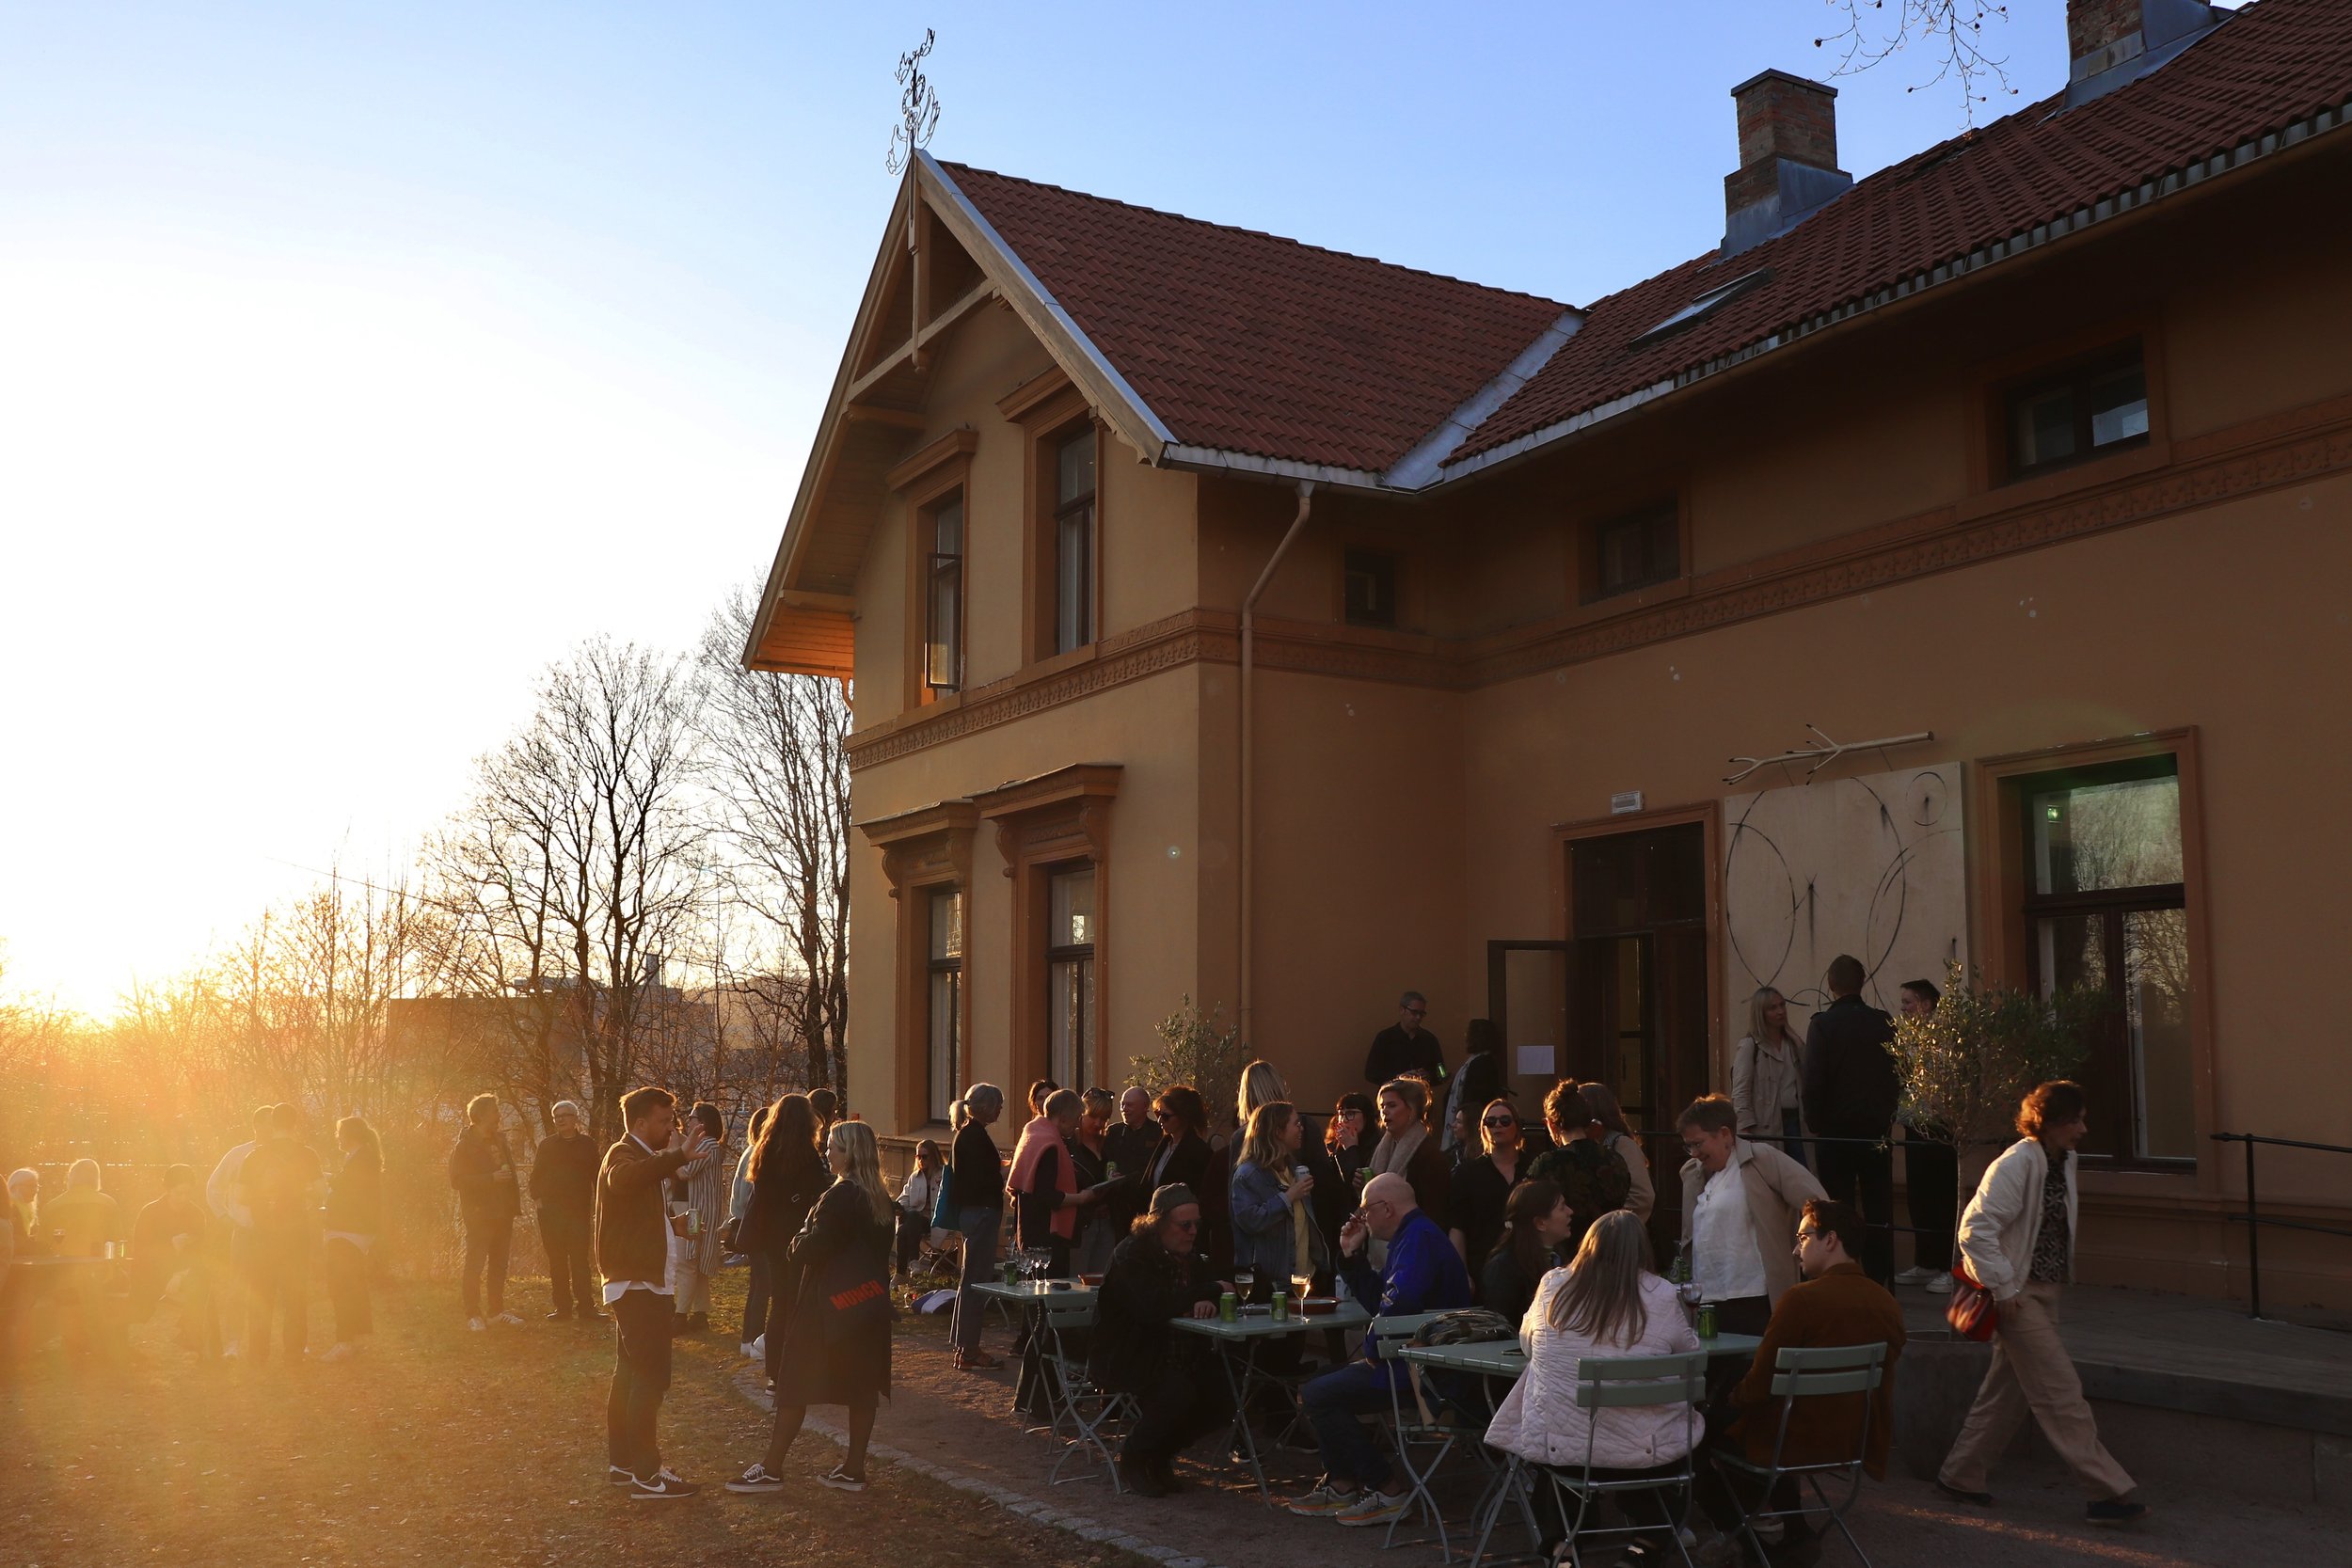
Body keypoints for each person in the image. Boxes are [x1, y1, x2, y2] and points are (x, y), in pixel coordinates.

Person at [1937, 1082, 2146, 1526]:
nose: (2083, 1130)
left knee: (2006, 1394)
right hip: (2018, 1295)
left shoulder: (2063, 1160)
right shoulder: (2016, 1163)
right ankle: (2107, 1492)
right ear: (2050, 1122)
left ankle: (1960, 1476)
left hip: (2044, 1292)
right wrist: (2005, 1289)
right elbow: (1974, 1230)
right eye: (2076, 1121)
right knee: (2061, 1391)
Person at [1485, 1210, 1707, 1565]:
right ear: (1641, 1251)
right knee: (1689, 1443)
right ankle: (1643, 1549)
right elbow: (1690, 1355)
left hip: (1566, 1453)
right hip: (1644, 1455)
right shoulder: (1660, 1293)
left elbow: (1528, 1343)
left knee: (1564, 1446)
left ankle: (1564, 1548)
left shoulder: (1553, 1285)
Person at [1708, 1198, 1906, 1560]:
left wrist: (1724, 1403)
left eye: (1802, 1237)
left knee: (1697, 1433)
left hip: (1792, 1438)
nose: (1796, 1247)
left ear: (1830, 1240)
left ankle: (1751, 1548)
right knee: (1775, 1420)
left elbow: (1759, 1384)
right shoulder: (1886, 1303)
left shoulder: (1800, 1301)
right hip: (1853, 1439)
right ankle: (1796, 1532)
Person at [1284, 1172, 1473, 1527]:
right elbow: (1382, 1304)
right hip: (1417, 1363)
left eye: (1365, 1210)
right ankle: (1341, 1485)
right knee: (1321, 1382)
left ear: (1386, 1208)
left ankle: (1387, 1489)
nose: (1362, 1218)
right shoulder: (1413, 1236)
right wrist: (1351, 1257)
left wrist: (1372, 1351)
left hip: (1429, 1375)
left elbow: (1399, 1305)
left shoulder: (1418, 1239)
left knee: (1317, 1393)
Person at [729, 1118, 896, 1497]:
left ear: (850, 1153)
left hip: (827, 1306)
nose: (827, 1152)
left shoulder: (840, 1196)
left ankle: (771, 1468)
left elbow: (808, 1249)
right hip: (867, 1305)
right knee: (860, 1387)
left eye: (834, 1147)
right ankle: (853, 1468)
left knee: (795, 1383)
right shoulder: (880, 1198)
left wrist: (797, 1238)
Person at [596, 1084, 713, 1499]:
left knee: (629, 1375)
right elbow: (622, 1182)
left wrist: (672, 1225)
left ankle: (623, 1465)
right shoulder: (622, 1155)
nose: (672, 1128)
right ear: (641, 1123)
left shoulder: (642, 1159)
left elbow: (633, 1205)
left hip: (640, 1283)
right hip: (637, 1286)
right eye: (665, 1121)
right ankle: (648, 1475)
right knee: (651, 1377)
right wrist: (677, 1157)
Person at [1089, 1182, 1233, 1497]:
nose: (1193, 1231)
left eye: (1197, 1224)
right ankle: (1134, 1457)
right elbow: (1152, 1307)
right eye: (1185, 1225)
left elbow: (1213, 1285)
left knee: (1224, 1395)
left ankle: (1160, 1456)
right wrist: (1207, 1292)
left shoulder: (1189, 1257)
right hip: (1128, 1354)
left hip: (1176, 1353)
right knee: (1177, 1393)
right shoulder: (1132, 1254)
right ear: (1158, 1224)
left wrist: (1205, 1298)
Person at [1676, 1095, 1826, 1337]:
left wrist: (1805, 1246)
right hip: (1708, 1300)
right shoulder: (1694, 1175)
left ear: (1725, 1134)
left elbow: (1817, 1202)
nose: (1693, 1153)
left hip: (1754, 1297)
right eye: (1688, 1146)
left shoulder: (1762, 1159)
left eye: (1698, 1143)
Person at [1802, 956, 1899, 1284]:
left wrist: (1815, 1123)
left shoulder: (1823, 1025)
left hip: (1836, 1132)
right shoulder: (1883, 1021)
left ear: (1830, 986)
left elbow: (1813, 1080)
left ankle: (1840, 1275)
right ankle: (1878, 1278)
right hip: (1875, 1130)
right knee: (1879, 1207)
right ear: (1862, 983)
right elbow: (1895, 1075)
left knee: (1836, 1208)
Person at [742, 1095, 828, 1388]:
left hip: (772, 1239)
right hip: (798, 1237)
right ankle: (799, 1367)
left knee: (779, 1303)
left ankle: (775, 1371)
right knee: (799, 1303)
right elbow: (819, 1190)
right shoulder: (805, 1155)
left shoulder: (765, 1152)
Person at [239, 1105, 324, 1361]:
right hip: (296, 1234)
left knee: (261, 1294)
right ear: (294, 1124)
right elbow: (320, 1190)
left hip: (262, 1235)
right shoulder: (307, 1155)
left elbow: (241, 1195)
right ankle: (294, 1352)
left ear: (273, 1124)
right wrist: (302, 1195)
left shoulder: (254, 1157)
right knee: (295, 1295)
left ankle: (257, 1353)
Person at [1892, 979, 1957, 1294]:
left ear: (1927, 1004)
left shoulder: (1943, 1038)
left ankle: (1947, 1266)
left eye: (1908, 1002)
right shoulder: (1907, 1038)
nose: (1903, 1008)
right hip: (1913, 1124)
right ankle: (1926, 1261)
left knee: (1941, 1196)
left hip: (1939, 1126)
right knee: (1919, 1195)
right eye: (1903, 1002)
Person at [1232, 1101, 1326, 1306]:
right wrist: (1288, 1197)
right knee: (1277, 1337)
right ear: (1277, 1131)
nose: (1301, 1129)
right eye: (1296, 1124)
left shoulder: (1294, 1170)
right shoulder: (1249, 1175)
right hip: (1273, 1283)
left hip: (1304, 1278)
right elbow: (1250, 1221)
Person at [1526, 1081, 1632, 1252]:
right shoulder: (1614, 1159)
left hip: (1566, 1253)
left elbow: (1529, 1205)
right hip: (1610, 1248)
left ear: (1551, 1125)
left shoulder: (1547, 1164)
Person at [448, 1093, 523, 1330]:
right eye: (494, 1112)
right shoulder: (464, 1145)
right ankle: (472, 1314)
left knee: (499, 1264)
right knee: (475, 1265)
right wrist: (490, 1178)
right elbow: (457, 1180)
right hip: (479, 1215)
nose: (498, 1117)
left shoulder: (500, 1141)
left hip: (503, 1213)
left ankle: (495, 1312)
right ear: (480, 1115)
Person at [1135, 1085, 1229, 1274]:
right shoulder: (1165, 1144)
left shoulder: (1198, 1152)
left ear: (1184, 1117)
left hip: (1180, 1232)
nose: (1160, 1120)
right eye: (1158, 1113)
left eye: (1166, 1115)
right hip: (1158, 1230)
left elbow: (1201, 1196)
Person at [947, 1083, 1009, 1370]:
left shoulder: (967, 1133)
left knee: (970, 1280)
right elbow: (983, 1178)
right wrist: (1004, 1172)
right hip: (982, 1212)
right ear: (985, 1107)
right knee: (976, 1281)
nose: (1000, 1109)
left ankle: (963, 1345)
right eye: (998, 1105)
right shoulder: (974, 1136)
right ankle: (969, 1348)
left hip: (974, 1212)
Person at [1009, 1087, 1101, 1277]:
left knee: (1034, 1292)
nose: (1077, 1125)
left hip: (1029, 1229)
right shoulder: (1049, 1144)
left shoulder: (1032, 1132)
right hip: (1047, 1235)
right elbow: (1047, 1195)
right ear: (1063, 1117)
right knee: (1048, 1293)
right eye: (1076, 1119)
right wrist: (1081, 1198)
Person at [532, 1099, 603, 1323]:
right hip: (551, 1214)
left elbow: (597, 1177)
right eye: (556, 1117)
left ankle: (586, 1308)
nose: (560, 1120)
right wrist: (539, 1201)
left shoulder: (588, 1145)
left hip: (578, 1212)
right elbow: (535, 1177)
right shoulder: (547, 1145)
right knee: (557, 1261)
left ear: (575, 1119)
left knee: (580, 1261)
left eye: (565, 1115)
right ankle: (562, 1308)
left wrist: (601, 1204)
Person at [204, 1107, 268, 1357]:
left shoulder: (283, 1156)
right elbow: (213, 1186)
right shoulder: (238, 1154)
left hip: (276, 1233)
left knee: (273, 1289)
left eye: (273, 1126)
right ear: (256, 1126)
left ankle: (272, 1344)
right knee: (238, 1287)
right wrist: (223, 1216)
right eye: (265, 1125)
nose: (269, 1131)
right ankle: (233, 1343)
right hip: (244, 1231)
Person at [321, 1115, 384, 1362]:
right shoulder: (361, 1157)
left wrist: (326, 1180)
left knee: (341, 1287)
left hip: (347, 1231)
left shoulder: (362, 1159)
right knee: (353, 1286)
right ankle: (354, 1337)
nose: (337, 1138)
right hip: (352, 1231)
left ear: (349, 1135)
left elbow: (348, 1190)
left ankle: (344, 1340)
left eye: (340, 1133)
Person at [130, 1164, 212, 1352]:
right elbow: (141, 1252)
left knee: (202, 1279)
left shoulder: (196, 1214)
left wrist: (179, 1275)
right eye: (178, 1193)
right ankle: (190, 1332)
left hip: (181, 1272)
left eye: (187, 1193)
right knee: (139, 1308)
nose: (183, 1199)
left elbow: (199, 1253)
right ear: (167, 1190)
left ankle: (190, 1333)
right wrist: (171, 1246)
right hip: (148, 1273)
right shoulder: (149, 1213)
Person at [1450, 1097, 1531, 1277]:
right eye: (1490, 1121)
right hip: (1482, 1266)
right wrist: (1462, 1273)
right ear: (1483, 1129)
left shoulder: (1533, 1168)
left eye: (1505, 1120)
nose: (1497, 1126)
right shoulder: (1468, 1173)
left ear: (1517, 1126)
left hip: (1529, 1266)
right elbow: (1457, 1228)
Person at [1733, 986, 1810, 1170]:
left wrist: (1799, 1044)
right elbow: (1741, 1090)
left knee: (1802, 1173)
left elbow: (1809, 1074)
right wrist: (1746, 1128)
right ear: (1761, 1013)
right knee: (1773, 1175)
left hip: (1796, 1122)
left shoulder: (1792, 1044)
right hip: (1766, 1124)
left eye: (1782, 1005)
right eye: (1772, 1007)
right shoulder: (1750, 1046)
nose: (1780, 1011)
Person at [670, 1101, 730, 1331]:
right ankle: (700, 1314)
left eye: (693, 1117)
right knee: (697, 1265)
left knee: (687, 1263)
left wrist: (673, 1153)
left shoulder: (709, 1145)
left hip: (696, 1213)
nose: (689, 1120)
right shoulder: (701, 1143)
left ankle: (680, 1316)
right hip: (693, 1209)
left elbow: (685, 1173)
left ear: (703, 1123)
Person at [1480, 1177, 1570, 1323]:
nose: (1570, 1212)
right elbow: (1502, 1327)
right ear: (1540, 1223)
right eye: (1562, 1207)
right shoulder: (1503, 1268)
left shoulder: (1560, 1258)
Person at [1368, 1076, 1449, 1228]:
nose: (1385, 1111)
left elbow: (1434, 1211)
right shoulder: (1383, 1148)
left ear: (1411, 1109)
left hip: (1413, 1238)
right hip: (1380, 1242)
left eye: (1392, 1105)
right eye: (1382, 1106)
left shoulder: (1428, 1154)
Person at [1578, 1081, 1656, 1224]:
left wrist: (1609, 1223)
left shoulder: (1622, 1144)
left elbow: (1641, 1196)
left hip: (1615, 1231)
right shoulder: (1584, 1144)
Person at [731, 1102, 771, 1355]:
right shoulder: (759, 1153)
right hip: (756, 1228)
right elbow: (750, 1195)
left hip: (748, 1226)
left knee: (758, 1284)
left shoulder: (750, 1150)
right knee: (763, 1285)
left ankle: (749, 1338)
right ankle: (753, 1337)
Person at [1099, 1086, 1156, 1240]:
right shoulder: (1113, 1132)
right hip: (1117, 1207)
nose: (1124, 1109)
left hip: (1144, 1205)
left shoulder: (1158, 1133)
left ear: (1145, 1107)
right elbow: (1107, 1161)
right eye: (1122, 1104)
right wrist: (1110, 1176)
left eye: (1129, 1105)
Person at [1071, 1088, 1116, 1274]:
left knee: (1101, 1278)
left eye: (1104, 1119)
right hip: (1080, 1223)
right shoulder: (1071, 1144)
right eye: (1094, 1117)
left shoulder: (1106, 1144)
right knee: (1077, 1277)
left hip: (1105, 1221)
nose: (1099, 1123)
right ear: (1082, 1114)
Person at [1365, 990, 1446, 1087]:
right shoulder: (1385, 1038)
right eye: (1414, 1012)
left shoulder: (1429, 1040)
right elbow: (1370, 1073)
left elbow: (1442, 1072)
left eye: (1422, 1014)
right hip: (1393, 1096)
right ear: (1402, 1010)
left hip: (1421, 1098)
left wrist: (1430, 1076)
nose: (1418, 1017)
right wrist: (1397, 1077)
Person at [45, 1158, 125, 1257]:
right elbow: (117, 1240)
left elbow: (42, 1243)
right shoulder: (108, 1203)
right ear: (96, 1178)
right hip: (97, 1266)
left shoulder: (53, 1205)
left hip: (60, 1266)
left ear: (71, 1177)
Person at [895, 1136, 946, 1276]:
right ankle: (912, 1264)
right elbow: (904, 1198)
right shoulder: (915, 1177)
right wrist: (897, 1207)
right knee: (908, 1221)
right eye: (918, 1156)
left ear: (933, 1157)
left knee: (906, 1226)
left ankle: (901, 1273)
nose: (921, 1160)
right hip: (915, 1221)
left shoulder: (943, 1175)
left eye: (925, 1156)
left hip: (933, 1221)